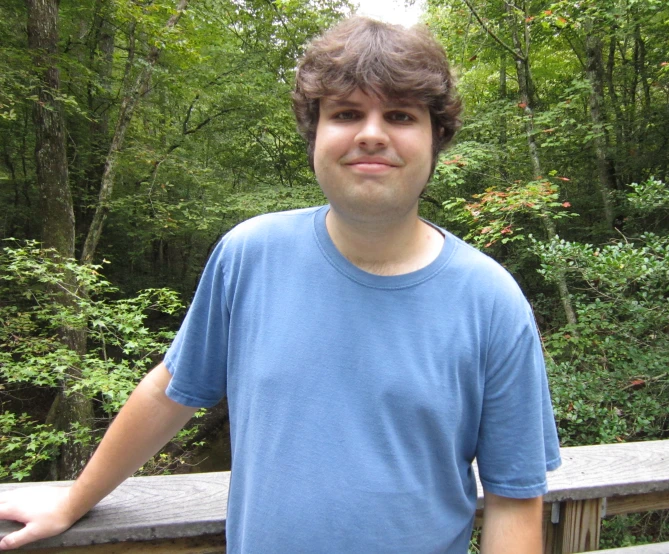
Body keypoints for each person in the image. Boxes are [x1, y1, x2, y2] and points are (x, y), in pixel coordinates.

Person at [0, 16, 560, 553]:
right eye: (345, 113)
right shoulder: (250, 255)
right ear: (315, 133)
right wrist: (74, 501)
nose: (371, 134)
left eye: (400, 115)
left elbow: (514, 499)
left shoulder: (491, 300)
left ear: (436, 137)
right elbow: (170, 390)